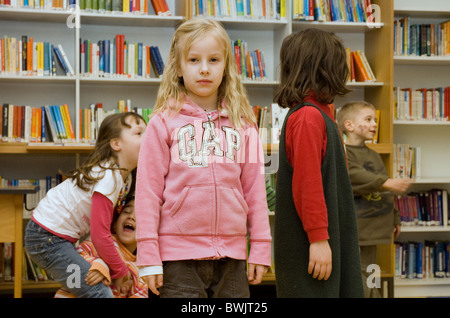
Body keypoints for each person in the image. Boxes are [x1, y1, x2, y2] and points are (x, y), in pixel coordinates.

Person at [135, 18, 272, 298]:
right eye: (194, 60)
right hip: (177, 259)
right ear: (178, 68)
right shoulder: (162, 123)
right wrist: (148, 256)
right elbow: (147, 193)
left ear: (226, 67)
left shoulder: (243, 124)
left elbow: (255, 191)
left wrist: (259, 246)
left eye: (214, 60)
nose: (205, 69)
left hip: (232, 259)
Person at [273, 28, 364, 297]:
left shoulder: (323, 114)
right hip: (313, 245)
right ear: (325, 68)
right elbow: (307, 183)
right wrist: (318, 239)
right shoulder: (307, 118)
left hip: (329, 238)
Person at [24, 112, 147, 298]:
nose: (148, 137)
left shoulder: (124, 177)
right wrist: (121, 271)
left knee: (85, 287)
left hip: (53, 238)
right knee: (97, 291)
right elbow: (100, 235)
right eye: (139, 133)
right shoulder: (109, 177)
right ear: (116, 144)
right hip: (47, 240)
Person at [336, 100, 410, 297]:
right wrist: (385, 182)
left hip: (375, 230)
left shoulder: (375, 156)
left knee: (371, 274)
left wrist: (394, 218)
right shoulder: (342, 153)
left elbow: (386, 192)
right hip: (357, 230)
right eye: (368, 119)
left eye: (375, 120)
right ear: (349, 125)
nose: (374, 124)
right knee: (360, 277)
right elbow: (353, 175)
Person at [55, 196, 149, 298]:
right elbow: (71, 259)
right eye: (126, 211)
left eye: (139, 215)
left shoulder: (140, 270)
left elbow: (141, 294)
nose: (131, 217)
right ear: (114, 224)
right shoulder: (101, 243)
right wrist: (100, 265)